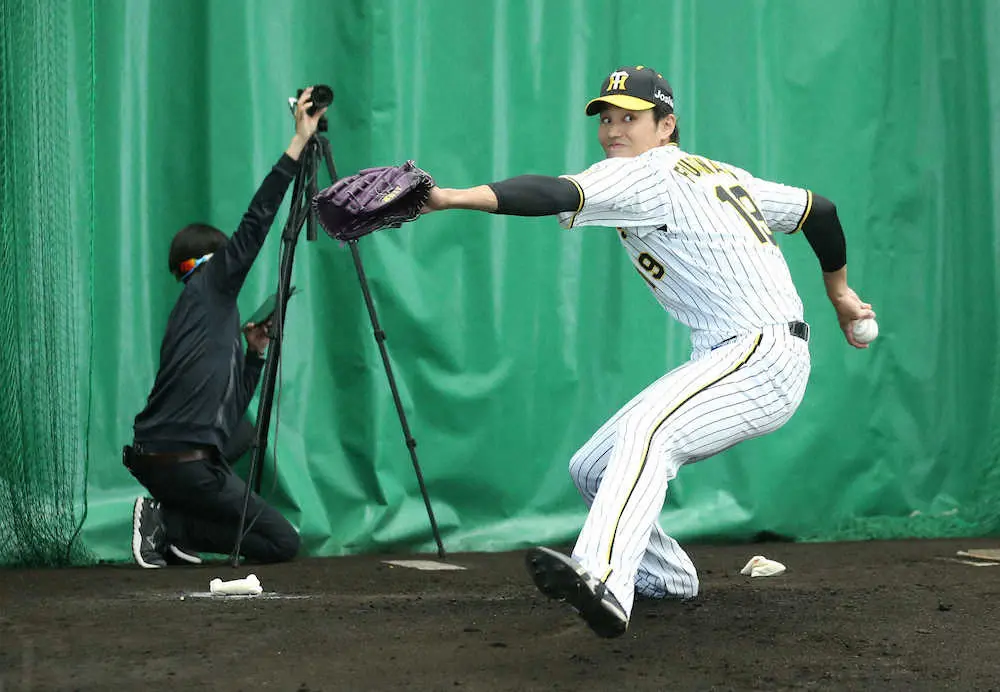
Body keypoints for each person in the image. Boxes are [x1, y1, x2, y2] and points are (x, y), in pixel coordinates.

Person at [420, 65, 875, 637]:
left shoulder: (649, 175)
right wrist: (840, 295)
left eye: (630, 118)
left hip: (760, 354)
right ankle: (669, 576)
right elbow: (820, 210)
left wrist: (448, 198)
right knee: (592, 467)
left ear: (666, 126)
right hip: (732, 354)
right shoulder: (716, 172)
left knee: (648, 436)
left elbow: (554, 192)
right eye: (607, 118)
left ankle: (604, 580)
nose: (614, 129)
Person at [123, 88, 328, 568]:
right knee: (282, 543)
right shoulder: (212, 283)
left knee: (243, 432)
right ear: (213, 261)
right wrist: (298, 145)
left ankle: (171, 526)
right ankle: (172, 524)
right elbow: (256, 223)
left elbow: (229, 413)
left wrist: (254, 353)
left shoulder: (197, 314)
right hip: (186, 464)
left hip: (158, 457)